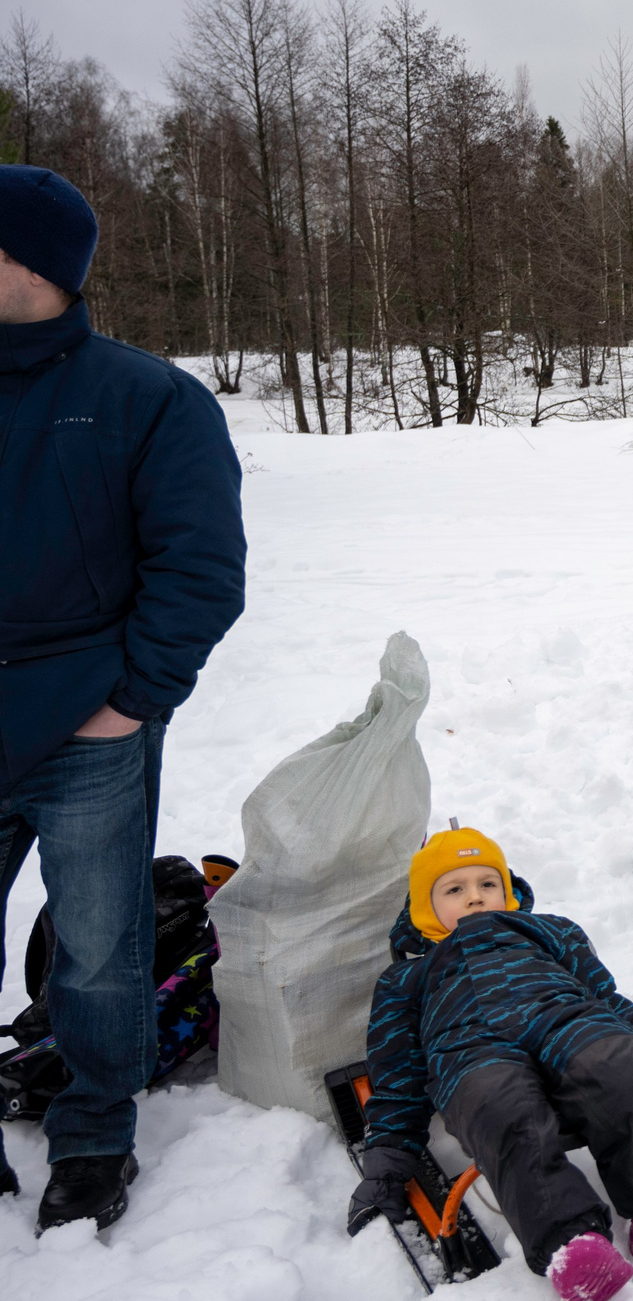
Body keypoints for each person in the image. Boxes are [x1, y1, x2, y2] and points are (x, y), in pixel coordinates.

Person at [0, 166, 247, 1227]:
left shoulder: (148, 398)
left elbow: (200, 567)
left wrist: (133, 700)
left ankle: (95, 1135)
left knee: (101, 952)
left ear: (35, 262)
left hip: (85, 724)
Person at [350, 826, 633, 1301]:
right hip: (469, 1048)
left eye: (487, 884)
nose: (475, 898)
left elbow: (604, 996)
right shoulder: (405, 977)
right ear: (424, 908)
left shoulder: (551, 930)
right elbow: (397, 1070)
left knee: (624, 1071)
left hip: (564, 1017)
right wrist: (387, 1163)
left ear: (507, 889)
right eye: (454, 890)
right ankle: (573, 1245)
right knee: (499, 1109)